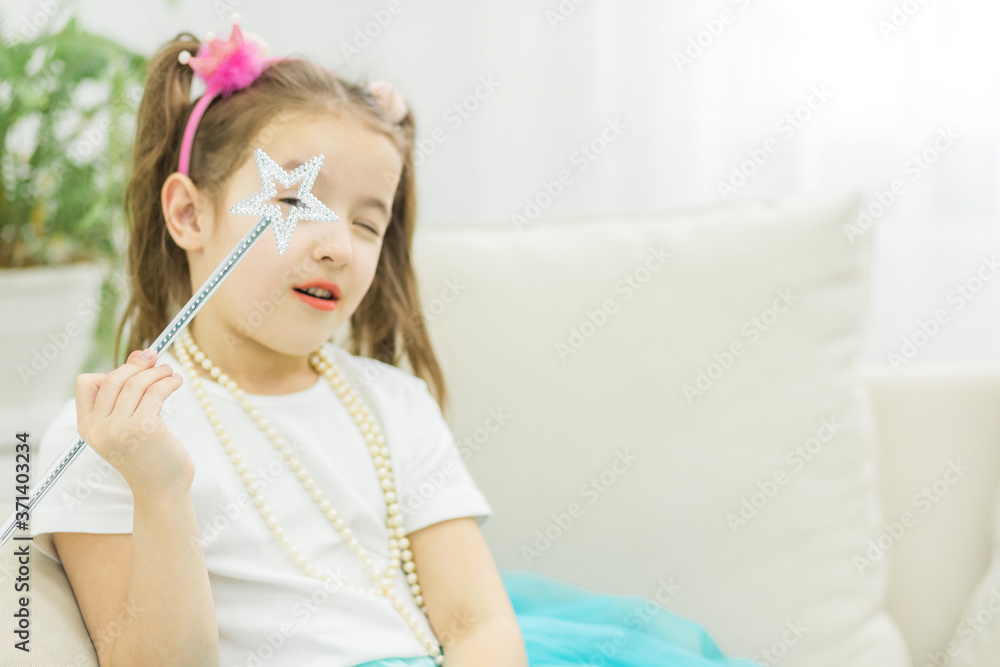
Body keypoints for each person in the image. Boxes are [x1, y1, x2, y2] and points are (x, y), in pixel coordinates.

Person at [29, 16, 763, 667]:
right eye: (297, 201)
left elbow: (477, 625)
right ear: (190, 214)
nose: (337, 246)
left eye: (367, 222)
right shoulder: (110, 438)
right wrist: (159, 487)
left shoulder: (394, 407)